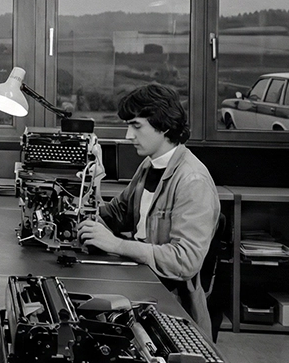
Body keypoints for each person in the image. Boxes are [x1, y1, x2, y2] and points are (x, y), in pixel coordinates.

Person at [77, 83, 220, 330]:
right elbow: (117, 214)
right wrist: (92, 185)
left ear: (163, 126)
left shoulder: (193, 181)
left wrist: (118, 245)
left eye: (136, 126)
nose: (128, 136)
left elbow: (185, 261)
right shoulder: (149, 165)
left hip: (171, 308)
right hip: (142, 283)